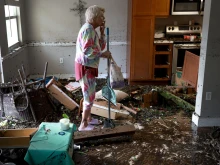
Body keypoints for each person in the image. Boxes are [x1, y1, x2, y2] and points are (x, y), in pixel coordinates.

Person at [75, 5, 111, 131]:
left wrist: (102, 33)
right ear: (95, 17)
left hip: (89, 67)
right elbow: (87, 50)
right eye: (101, 16)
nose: (103, 19)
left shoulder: (92, 30)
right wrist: (103, 54)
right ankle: (83, 124)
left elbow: (99, 46)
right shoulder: (87, 30)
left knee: (91, 95)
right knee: (88, 97)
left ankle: (89, 119)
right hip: (85, 68)